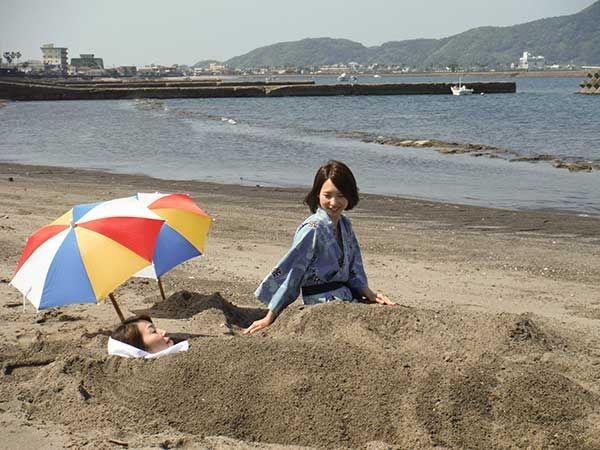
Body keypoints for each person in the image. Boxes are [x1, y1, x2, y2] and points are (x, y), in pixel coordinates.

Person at [245, 160, 394, 335]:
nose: (334, 202)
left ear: (349, 195)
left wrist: (369, 293)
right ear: (317, 194)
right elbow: (293, 272)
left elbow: (355, 266)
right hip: (321, 304)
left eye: (341, 195)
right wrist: (270, 315)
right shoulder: (312, 229)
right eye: (327, 195)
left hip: (347, 298)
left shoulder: (345, 225)